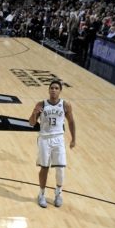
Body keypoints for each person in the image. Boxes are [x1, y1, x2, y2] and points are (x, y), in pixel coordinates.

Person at [29, 80, 76, 208]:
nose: (53, 90)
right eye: (52, 88)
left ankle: (58, 193)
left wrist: (73, 139)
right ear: (49, 90)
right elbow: (31, 123)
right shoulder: (41, 104)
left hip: (58, 138)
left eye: (56, 88)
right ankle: (41, 194)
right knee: (44, 168)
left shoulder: (65, 105)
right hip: (44, 139)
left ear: (60, 91)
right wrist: (34, 113)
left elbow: (71, 122)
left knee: (60, 168)